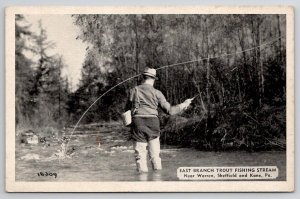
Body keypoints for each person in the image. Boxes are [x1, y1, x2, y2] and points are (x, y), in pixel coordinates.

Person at [125, 67, 193, 173]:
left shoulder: (134, 91)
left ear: (143, 77)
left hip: (138, 124)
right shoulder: (157, 93)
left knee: (140, 157)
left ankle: (142, 184)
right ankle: (158, 180)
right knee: (155, 156)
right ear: (154, 79)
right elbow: (170, 111)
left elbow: (127, 110)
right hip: (153, 124)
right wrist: (184, 104)